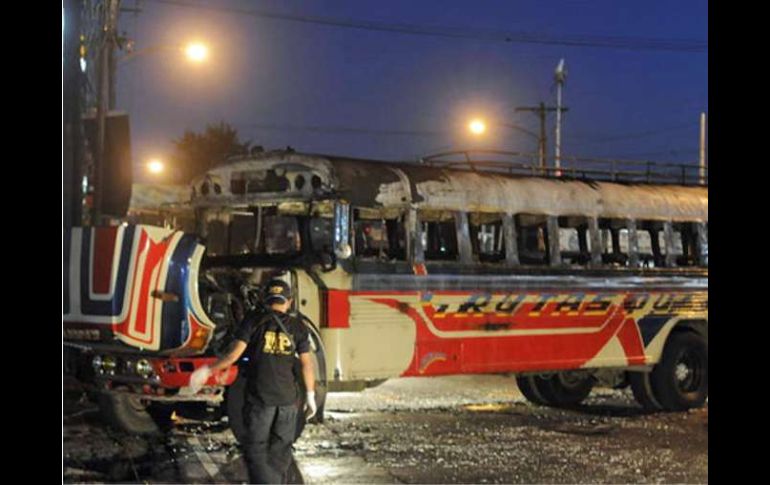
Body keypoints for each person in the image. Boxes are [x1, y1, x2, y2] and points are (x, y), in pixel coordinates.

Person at [187, 278, 316, 484]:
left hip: (261, 399)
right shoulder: (298, 327)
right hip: (288, 400)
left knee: (256, 449)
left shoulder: (253, 321)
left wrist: (206, 371)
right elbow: (307, 365)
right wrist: (310, 396)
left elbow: (232, 356)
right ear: (289, 301)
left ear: (266, 299)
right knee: (281, 450)